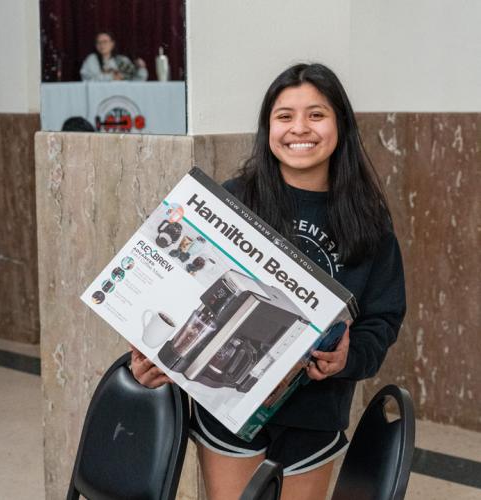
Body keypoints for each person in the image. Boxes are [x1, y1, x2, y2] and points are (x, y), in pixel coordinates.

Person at [130, 63, 406, 500]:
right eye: (284, 116)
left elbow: (383, 318)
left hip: (316, 414)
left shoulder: (368, 220)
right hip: (226, 409)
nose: (300, 128)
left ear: (340, 125)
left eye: (316, 114)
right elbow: (179, 288)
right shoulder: (234, 199)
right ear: (268, 127)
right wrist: (157, 353)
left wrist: (349, 359)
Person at [80, 32, 148, 81]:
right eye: (99, 42)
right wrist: (111, 77)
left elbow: (138, 79)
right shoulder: (92, 59)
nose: (102, 45)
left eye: (105, 42)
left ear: (112, 44)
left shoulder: (121, 60)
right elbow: (88, 79)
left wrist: (141, 69)